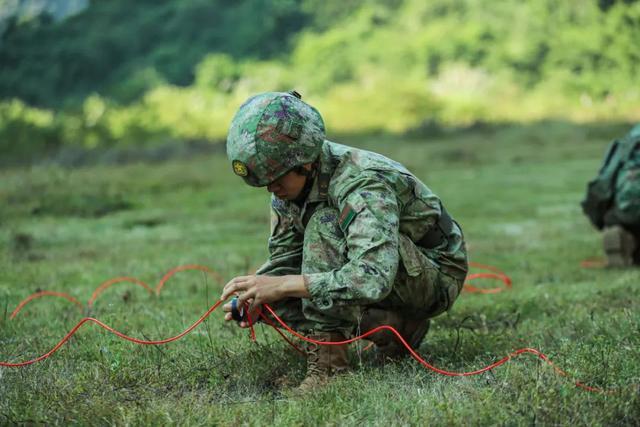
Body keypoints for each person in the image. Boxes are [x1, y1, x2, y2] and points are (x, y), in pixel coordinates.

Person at [220, 90, 468, 390]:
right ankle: (392, 326)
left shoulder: (361, 183)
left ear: (305, 162)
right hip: (386, 272)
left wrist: (283, 285)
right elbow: (285, 260)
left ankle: (329, 373)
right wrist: (257, 295)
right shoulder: (291, 187)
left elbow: (373, 277)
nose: (272, 190)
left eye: (278, 179)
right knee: (264, 294)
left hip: (434, 275)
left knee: (324, 226)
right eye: (265, 182)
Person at [582, 124, 640, 267]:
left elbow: (603, 183)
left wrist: (604, 220)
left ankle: (623, 234)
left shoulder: (631, 138)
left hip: (629, 209)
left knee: (617, 218)